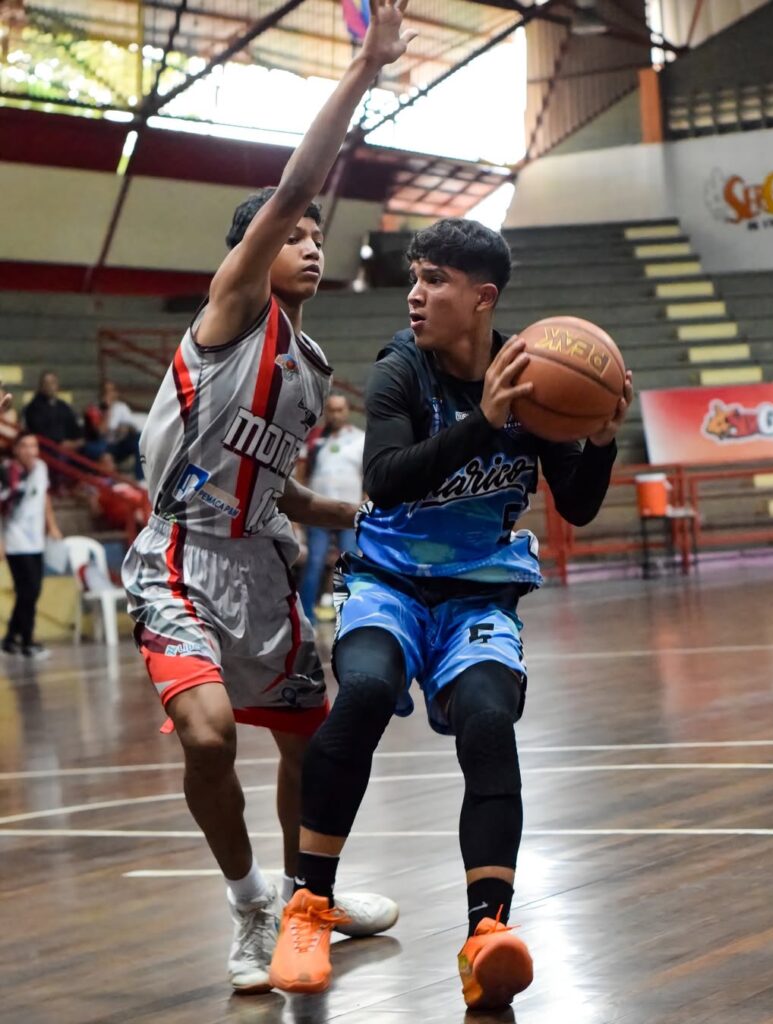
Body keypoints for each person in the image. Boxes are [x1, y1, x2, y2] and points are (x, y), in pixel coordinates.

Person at [121, 0, 416, 997]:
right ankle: (249, 906)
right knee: (208, 733)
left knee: (310, 741)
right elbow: (295, 183)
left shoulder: (308, 364)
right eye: (296, 234)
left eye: (318, 237)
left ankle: (304, 902)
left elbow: (269, 483)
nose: (312, 243)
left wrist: (343, 515)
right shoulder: (235, 309)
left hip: (259, 562)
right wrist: (366, 70)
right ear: (256, 250)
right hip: (179, 557)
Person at [270, 218, 634, 1008]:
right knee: (366, 692)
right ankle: (307, 908)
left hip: (479, 593)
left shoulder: (534, 376)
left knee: (489, 720)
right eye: (415, 277)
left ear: (482, 298)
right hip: (389, 583)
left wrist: (602, 441)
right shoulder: (400, 368)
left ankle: (485, 935)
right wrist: (484, 424)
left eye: (434, 280)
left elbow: (577, 504)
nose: (416, 294)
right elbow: (386, 480)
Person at [297, 392, 364, 622]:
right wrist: (297, 517)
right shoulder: (314, 440)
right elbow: (301, 476)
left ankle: (349, 616)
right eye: (332, 410)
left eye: (340, 409)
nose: (336, 414)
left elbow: (369, 478)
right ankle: (306, 617)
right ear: (326, 412)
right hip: (318, 513)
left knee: (349, 564)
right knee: (314, 563)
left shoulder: (361, 439)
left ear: (347, 411)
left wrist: (367, 509)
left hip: (349, 514)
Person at [1, 432, 62, 659]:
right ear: (16, 449)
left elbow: (44, 498)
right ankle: (27, 641)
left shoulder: (41, 468)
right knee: (29, 591)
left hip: (36, 540)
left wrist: (52, 525)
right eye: (24, 446)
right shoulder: (6, 471)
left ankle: (10, 639)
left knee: (29, 592)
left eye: (34, 446)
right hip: (15, 540)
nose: (30, 451)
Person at [83, 381, 144, 481]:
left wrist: (126, 428)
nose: (109, 394)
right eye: (106, 391)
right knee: (98, 449)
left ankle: (140, 478)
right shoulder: (94, 409)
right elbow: (100, 432)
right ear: (101, 394)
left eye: (111, 391)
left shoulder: (122, 407)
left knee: (139, 438)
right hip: (101, 446)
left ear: (116, 393)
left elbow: (133, 427)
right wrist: (107, 410)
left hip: (118, 445)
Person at [22, 372, 82, 450]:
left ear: (57, 385)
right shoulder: (33, 408)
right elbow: (39, 432)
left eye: (52, 382)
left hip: (69, 447)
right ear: (41, 386)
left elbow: (74, 426)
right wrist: (61, 442)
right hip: (48, 449)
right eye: (46, 383)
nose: (49, 386)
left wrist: (77, 441)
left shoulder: (63, 406)